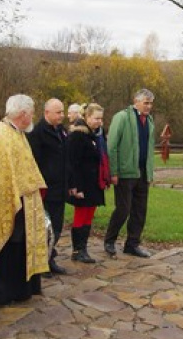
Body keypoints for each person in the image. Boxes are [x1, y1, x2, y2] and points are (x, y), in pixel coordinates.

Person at [0, 94, 49, 305]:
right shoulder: (0, 136)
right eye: (31, 113)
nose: (32, 117)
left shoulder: (17, 132)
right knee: (12, 244)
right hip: (10, 202)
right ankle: (5, 291)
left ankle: (22, 289)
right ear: (22, 114)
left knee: (21, 244)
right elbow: (1, 173)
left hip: (25, 201)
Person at [104, 89, 156, 258]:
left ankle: (132, 244)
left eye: (150, 103)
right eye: (146, 102)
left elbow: (149, 148)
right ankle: (109, 240)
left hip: (142, 172)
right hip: (125, 172)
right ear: (136, 101)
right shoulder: (122, 117)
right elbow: (112, 145)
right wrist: (114, 171)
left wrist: (149, 172)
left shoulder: (149, 120)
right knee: (123, 209)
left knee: (140, 210)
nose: (149, 106)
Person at [27, 98, 69, 276]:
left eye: (62, 112)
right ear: (47, 113)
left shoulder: (61, 131)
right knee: (45, 228)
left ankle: (50, 258)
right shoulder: (37, 133)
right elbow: (33, 162)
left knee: (57, 227)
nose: (62, 115)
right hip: (46, 189)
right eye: (58, 112)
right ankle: (41, 263)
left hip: (61, 187)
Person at [66, 103, 110, 264]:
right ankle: (77, 250)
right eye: (96, 118)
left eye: (101, 118)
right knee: (81, 214)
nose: (99, 122)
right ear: (86, 117)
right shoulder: (78, 135)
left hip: (94, 182)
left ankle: (83, 247)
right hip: (82, 182)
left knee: (89, 215)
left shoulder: (95, 135)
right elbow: (73, 162)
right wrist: (76, 186)